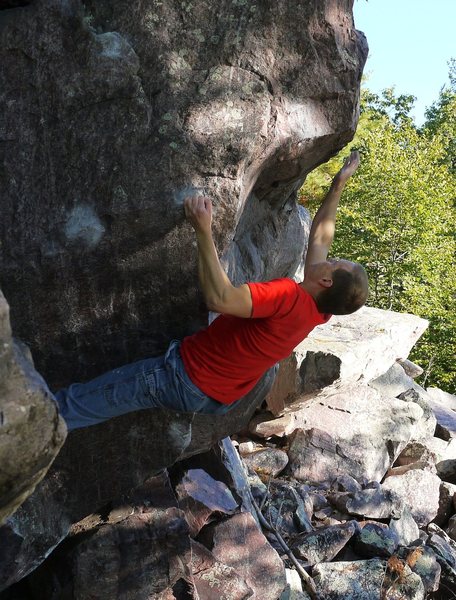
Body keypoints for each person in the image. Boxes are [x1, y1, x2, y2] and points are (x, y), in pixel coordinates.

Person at [55, 151, 368, 431]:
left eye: (335, 262)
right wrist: (338, 184)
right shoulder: (319, 310)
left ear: (326, 281)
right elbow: (321, 239)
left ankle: (17, 433)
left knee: (75, 404)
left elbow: (220, 298)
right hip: (215, 397)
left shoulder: (288, 296)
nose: (330, 257)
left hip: (185, 377)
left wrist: (202, 229)